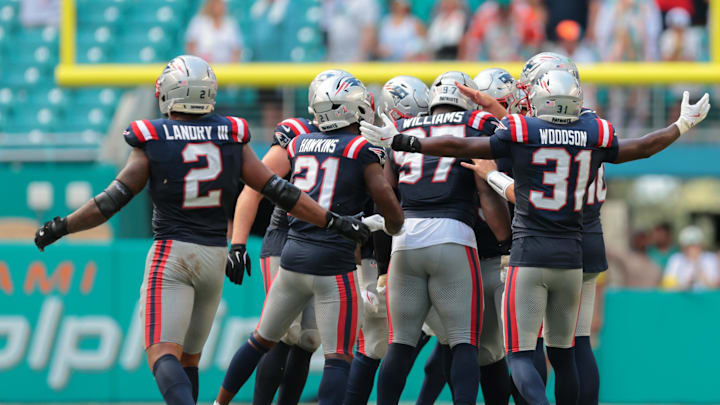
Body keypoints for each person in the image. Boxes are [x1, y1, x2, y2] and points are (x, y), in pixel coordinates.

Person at [33, 55, 370, 405]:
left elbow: (110, 202)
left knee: (162, 354)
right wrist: (333, 221)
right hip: (214, 257)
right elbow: (279, 190)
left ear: (168, 92)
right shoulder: (230, 133)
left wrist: (62, 226)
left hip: (172, 254)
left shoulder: (154, 136)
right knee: (189, 360)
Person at [361, 69, 710, 405]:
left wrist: (405, 141)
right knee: (566, 352)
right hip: (573, 257)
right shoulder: (593, 133)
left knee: (519, 356)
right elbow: (643, 146)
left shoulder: (521, 130)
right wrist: (681, 125)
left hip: (527, 255)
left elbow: (461, 145)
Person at [215, 74, 404, 405]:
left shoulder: (306, 143)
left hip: (305, 248)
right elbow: (254, 188)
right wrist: (239, 243)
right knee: (313, 347)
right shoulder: (352, 146)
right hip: (309, 247)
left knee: (289, 339)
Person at [374, 71, 511, 405]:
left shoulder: (406, 128)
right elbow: (487, 193)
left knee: (400, 344)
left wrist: (385, 256)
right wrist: (508, 243)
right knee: (464, 341)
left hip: (405, 241)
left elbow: (385, 192)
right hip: (453, 237)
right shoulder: (477, 122)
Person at [344, 75, 430, 405]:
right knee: (376, 342)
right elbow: (379, 208)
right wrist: (380, 268)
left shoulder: (406, 141)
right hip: (378, 252)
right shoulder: (373, 145)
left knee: (427, 335)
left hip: (406, 250)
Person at [662, 226, 720, 290]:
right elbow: (667, 286)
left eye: (694, 246)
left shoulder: (710, 259)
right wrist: (685, 285)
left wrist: (697, 265)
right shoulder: (675, 259)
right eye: (687, 246)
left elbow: (715, 286)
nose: (691, 249)